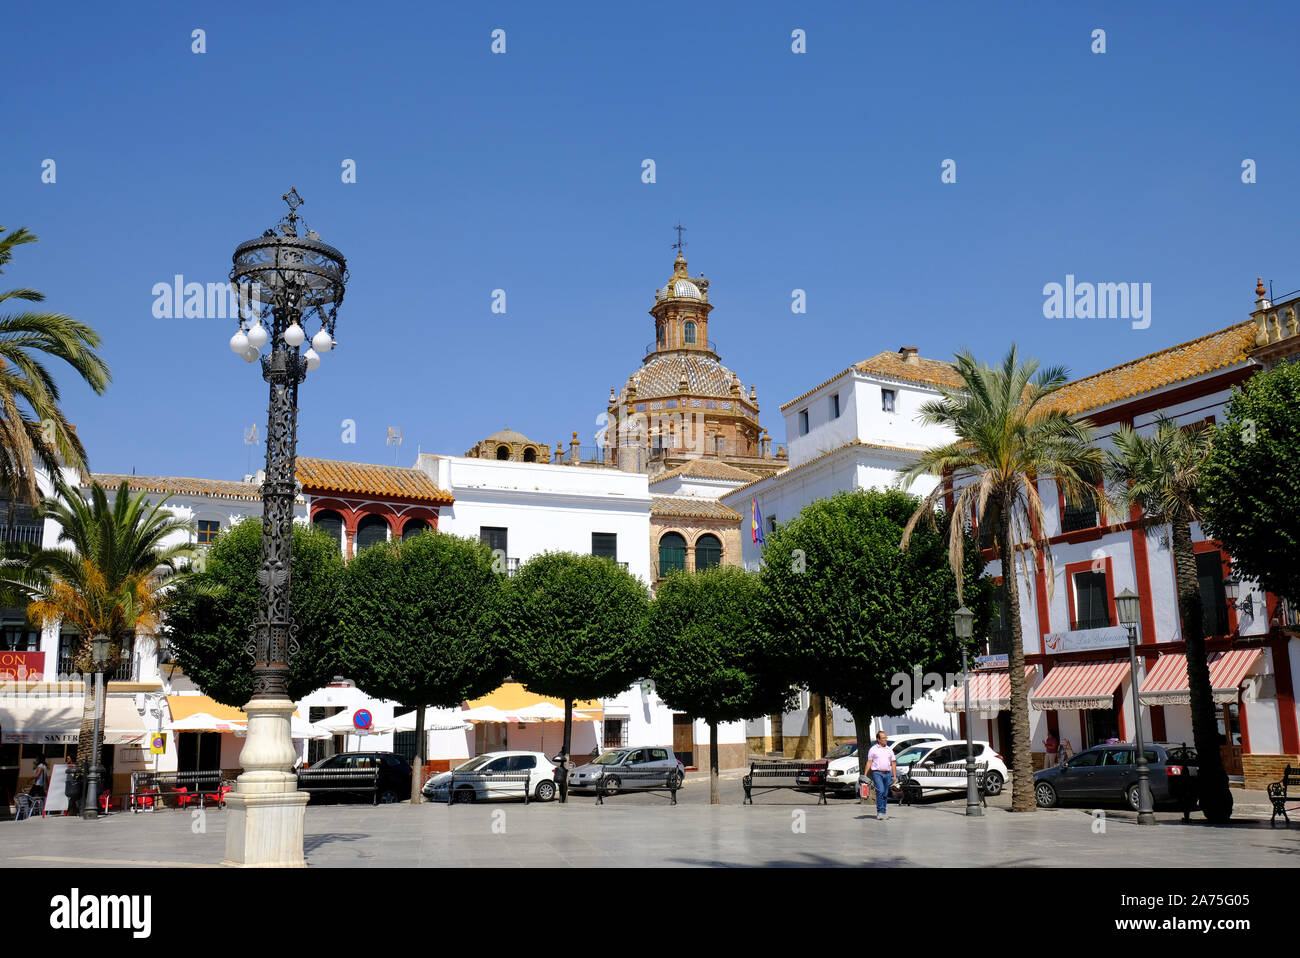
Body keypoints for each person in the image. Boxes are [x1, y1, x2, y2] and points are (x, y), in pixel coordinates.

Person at [865, 731, 897, 821]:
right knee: (880, 791)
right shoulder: (873, 749)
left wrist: (894, 776)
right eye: (883, 738)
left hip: (887, 773)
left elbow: (893, 762)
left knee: (885, 793)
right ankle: (880, 812)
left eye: (886, 737)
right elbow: (869, 762)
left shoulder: (889, 749)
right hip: (877, 773)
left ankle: (883, 812)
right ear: (878, 740)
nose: (885, 739)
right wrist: (865, 775)